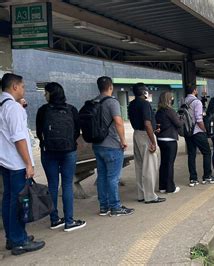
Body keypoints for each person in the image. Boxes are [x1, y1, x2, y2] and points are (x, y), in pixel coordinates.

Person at [0, 73, 45, 255]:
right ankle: (19, 241)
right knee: (19, 202)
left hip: (4, 161)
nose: (24, 89)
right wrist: (28, 163)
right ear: (15, 87)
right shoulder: (14, 109)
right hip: (17, 163)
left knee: (9, 200)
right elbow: (19, 138)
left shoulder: (3, 106)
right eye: (23, 86)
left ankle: (12, 238)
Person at [36, 82, 86, 231]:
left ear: (51, 94)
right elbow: (77, 130)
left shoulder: (43, 110)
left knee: (52, 185)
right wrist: (69, 142)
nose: (45, 95)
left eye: (46, 93)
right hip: (68, 151)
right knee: (67, 185)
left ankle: (54, 219)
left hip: (48, 152)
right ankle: (69, 221)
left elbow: (39, 132)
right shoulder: (71, 110)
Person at [92, 76, 133, 216]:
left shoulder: (94, 101)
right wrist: (123, 140)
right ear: (111, 87)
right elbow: (118, 122)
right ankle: (115, 207)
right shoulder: (112, 102)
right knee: (113, 177)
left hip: (97, 145)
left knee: (102, 176)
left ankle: (104, 207)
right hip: (112, 145)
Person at [128, 83, 165, 204]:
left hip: (137, 134)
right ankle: (150, 196)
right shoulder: (145, 104)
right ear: (144, 92)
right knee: (149, 167)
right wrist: (153, 141)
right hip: (146, 135)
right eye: (147, 91)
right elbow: (147, 123)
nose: (148, 93)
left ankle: (142, 194)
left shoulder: (132, 104)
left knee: (139, 166)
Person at [184, 84, 214, 186]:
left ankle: (193, 179)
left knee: (191, 154)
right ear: (194, 91)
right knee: (207, 152)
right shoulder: (197, 102)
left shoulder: (184, 101)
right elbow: (199, 119)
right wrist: (204, 130)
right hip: (197, 131)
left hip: (188, 132)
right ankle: (207, 177)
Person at [155, 91, 183, 193]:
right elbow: (178, 124)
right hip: (170, 140)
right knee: (170, 164)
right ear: (168, 99)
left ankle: (162, 187)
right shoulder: (170, 111)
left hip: (161, 140)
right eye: (171, 98)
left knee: (164, 163)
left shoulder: (158, 112)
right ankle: (170, 187)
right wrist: (182, 118)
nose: (172, 99)